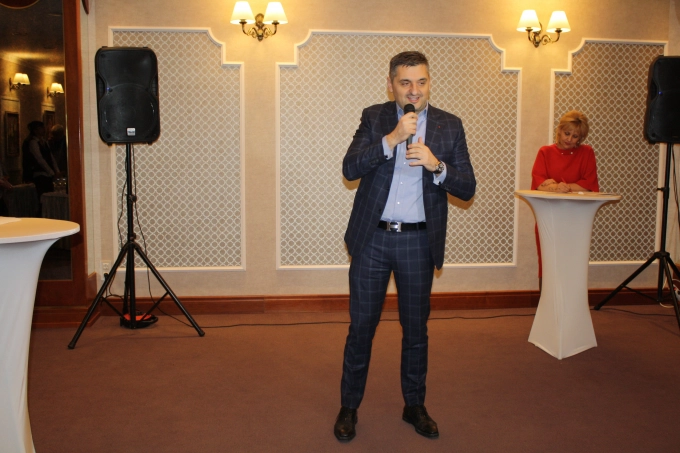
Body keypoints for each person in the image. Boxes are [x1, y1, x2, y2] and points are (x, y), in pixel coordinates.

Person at [335, 51, 476, 442]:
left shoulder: (450, 125)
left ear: (430, 83)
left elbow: (467, 187)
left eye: (422, 82)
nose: (415, 90)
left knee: (416, 330)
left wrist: (436, 165)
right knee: (361, 328)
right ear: (391, 84)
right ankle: (349, 407)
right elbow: (349, 168)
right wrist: (391, 139)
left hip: (417, 241)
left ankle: (414, 405)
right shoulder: (374, 117)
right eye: (405, 82)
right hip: (372, 239)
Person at [531, 110, 599, 285]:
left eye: (575, 136)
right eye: (567, 133)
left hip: (577, 217)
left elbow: (589, 185)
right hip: (549, 215)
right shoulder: (545, 152)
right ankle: (546, 300)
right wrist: (556, 188)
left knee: (572, 261)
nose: (569, 139)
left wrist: (559, 187)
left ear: (581, 138)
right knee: (547, 262)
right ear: (559, 130)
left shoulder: (587, 152)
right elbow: (539, 184)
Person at [22, 120, 60, 199]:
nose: (44, 129)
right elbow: (40, 159)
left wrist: (57, 170)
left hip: (48, 174)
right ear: (35, 130)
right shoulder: (33, 142)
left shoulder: (44, 142)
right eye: (41, 128)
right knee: (42, 196)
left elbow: (51, 157)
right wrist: (52, 172)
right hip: (39, 174)